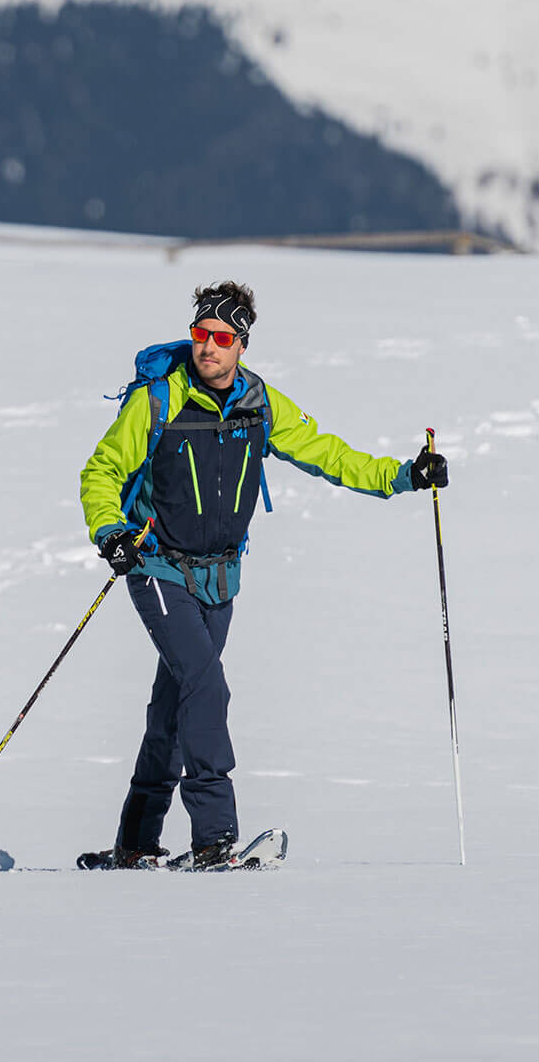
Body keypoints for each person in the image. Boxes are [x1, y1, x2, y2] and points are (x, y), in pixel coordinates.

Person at [77, 279, 447, 870]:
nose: (208, 348)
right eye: (201, 334)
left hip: (220, 580)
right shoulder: (157, 401)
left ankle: (136, 842)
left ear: (242, 345)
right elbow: (102, 471)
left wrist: (405, 475)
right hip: (156, 568)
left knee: (174, 709)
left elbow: (330, 454)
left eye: (222, 337)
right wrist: (110, 531)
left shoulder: (261, 404)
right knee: (206, 687)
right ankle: (215, 839)